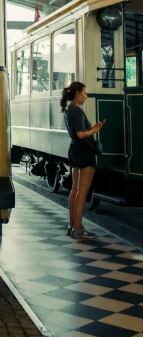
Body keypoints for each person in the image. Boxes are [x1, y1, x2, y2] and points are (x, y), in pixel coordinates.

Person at [62, 81, 105, 240]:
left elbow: (77, 133)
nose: (86, 97)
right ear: (78, 93)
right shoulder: (77, 111)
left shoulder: (68, 110)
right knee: (82, 191)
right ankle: (78, 228)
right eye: (85, 93)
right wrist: (93, 130)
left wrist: (91, 128)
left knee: (74, 189)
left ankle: (72, 226)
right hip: (84, 152)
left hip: (73, 150)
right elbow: (81, 134)